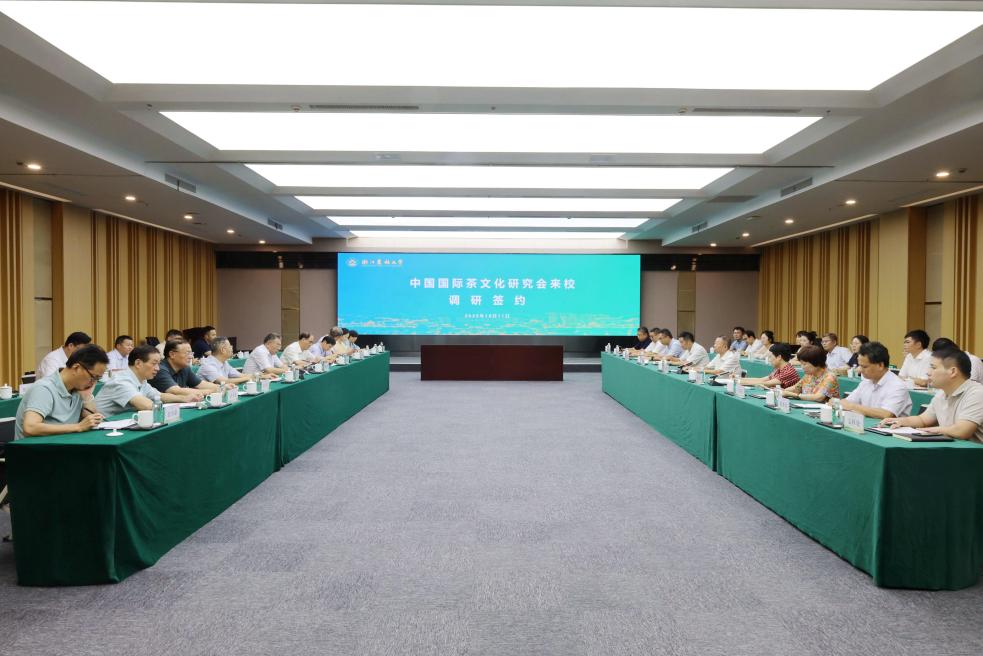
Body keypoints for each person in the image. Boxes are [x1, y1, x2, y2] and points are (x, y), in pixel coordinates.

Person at [880, 347, 983, 443]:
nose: (928, 373)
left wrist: (925, 431)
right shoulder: (942, 393)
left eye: (933, 367)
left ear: (952, 371)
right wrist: (900, 421)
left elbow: (962, 431)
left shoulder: (977, 393)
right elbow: (923, 420)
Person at [15, 344, 108, 439]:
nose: (93, 383)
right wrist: (78, 427)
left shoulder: (77, 389)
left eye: (98, 379)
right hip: (36, 447)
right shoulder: (44, 388)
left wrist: (87, 398)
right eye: (93, 377)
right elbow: (30, 427)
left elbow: (89, 421)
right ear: (76, 368)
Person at [95, 345, 189, 416]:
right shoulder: (120, 381)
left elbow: (159, 396)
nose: (158, 368)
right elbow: (146, 405)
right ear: (138, 363)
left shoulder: (142, 380)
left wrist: (185, 398)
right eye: (154, 363)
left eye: (158, 364)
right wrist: (171, 411)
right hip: (102, 428)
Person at [839, 342, 911, 419]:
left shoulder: (897, 386)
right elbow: (846, 402)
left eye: (864, 367)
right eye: (860, 366)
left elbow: (886, 414)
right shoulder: (866, 382)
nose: (860, 370)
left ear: (880, 365)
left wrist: (853, 407)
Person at [149, 340, 217, 398]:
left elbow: (201, 384)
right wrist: (209, 391)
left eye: (191, 353)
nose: (191, 357)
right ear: (172, 354)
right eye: (187, 353)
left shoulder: (184, 367)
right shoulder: (160, 369)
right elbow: (176, 391)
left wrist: (220, 387)